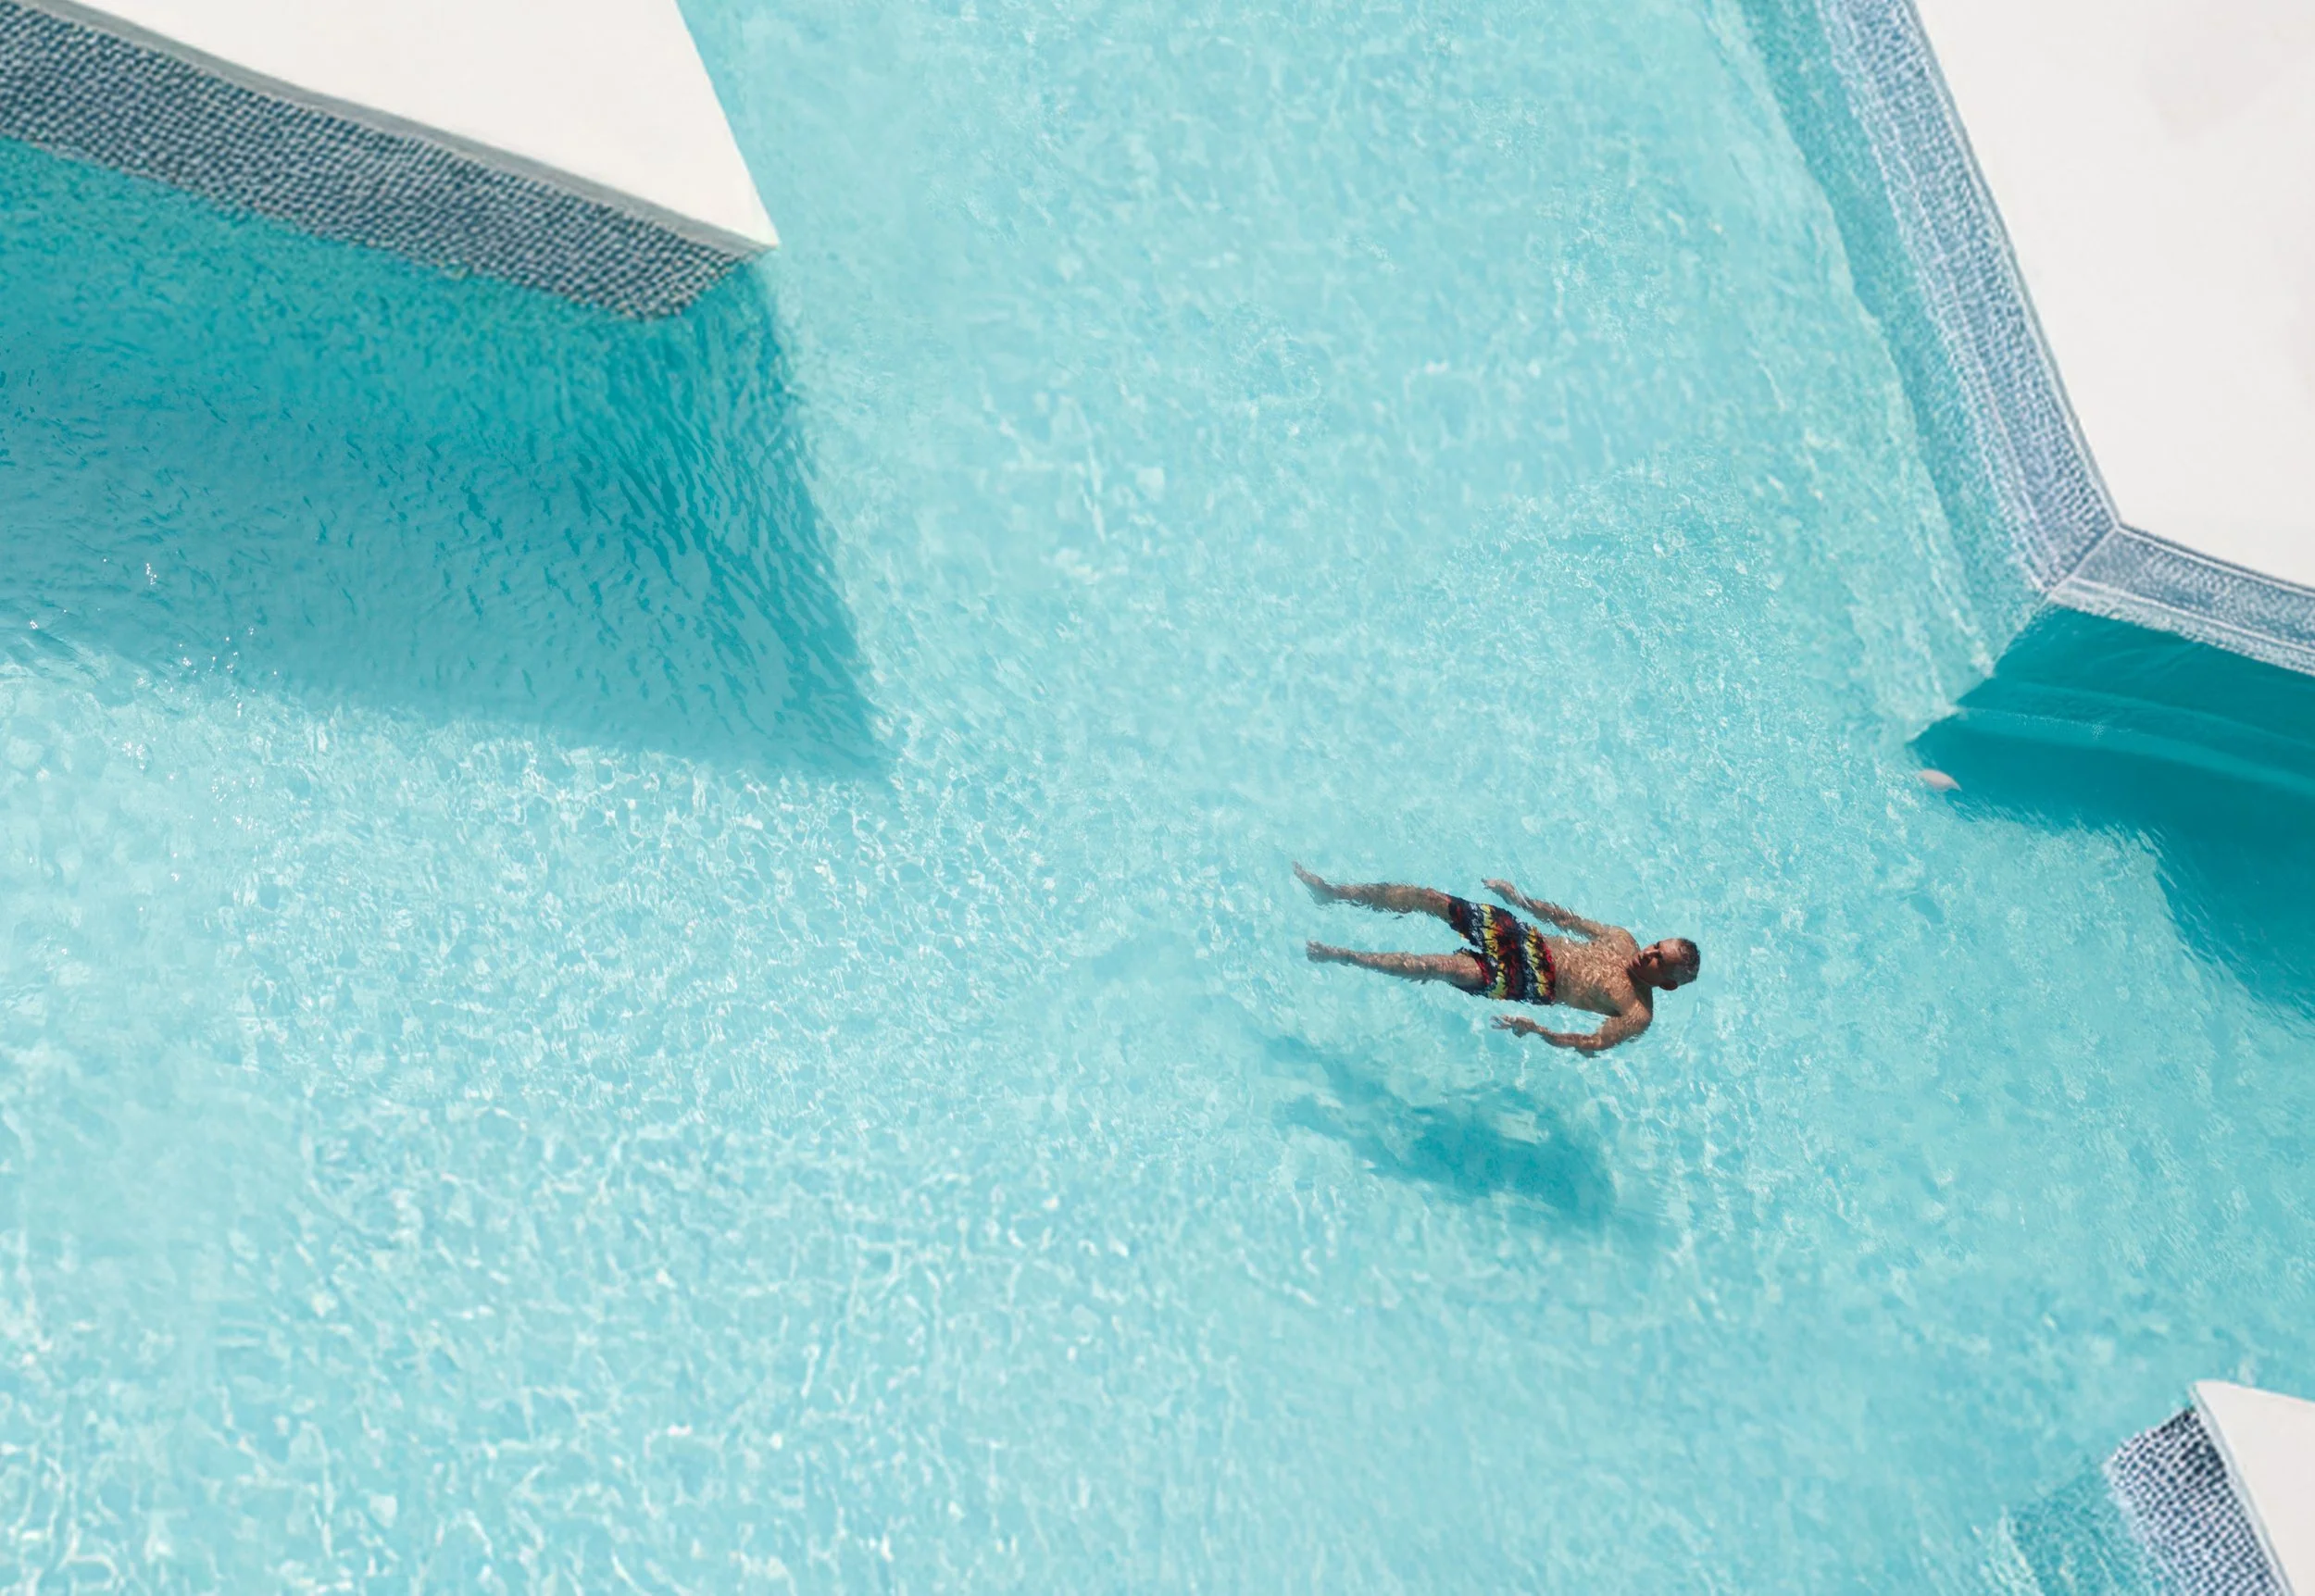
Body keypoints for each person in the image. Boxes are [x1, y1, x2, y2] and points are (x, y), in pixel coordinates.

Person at [1296, 864, 1698, 1054]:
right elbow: (1565, 919)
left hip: (1529, 982)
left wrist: (1537, 1030)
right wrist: (1517, 898)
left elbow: (1592, 1043)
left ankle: (1346, 956)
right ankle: (1335, 892)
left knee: (1438, 966)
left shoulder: (1637, 1012)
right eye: (1655, 947)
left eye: (1658, 961)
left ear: (1667, 983)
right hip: (1524, 938)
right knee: (1432, 898)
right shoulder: (1622, 938)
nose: (1648, 952)